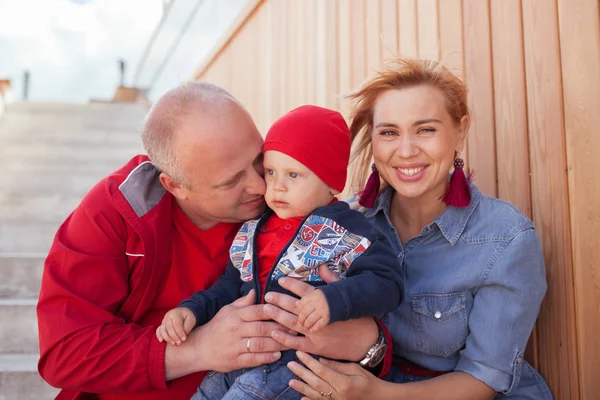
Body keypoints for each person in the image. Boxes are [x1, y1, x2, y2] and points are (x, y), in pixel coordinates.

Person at [36, 83, 382, 400]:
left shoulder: (298, 212)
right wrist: (197, 350)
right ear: (175, 186)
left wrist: (370, 343)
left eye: (259, 161)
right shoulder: (117, 213)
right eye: (232, 181)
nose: (262, 187)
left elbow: (378, 302)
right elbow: (64, 353)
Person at [261, 59, 553, 399]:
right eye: (389, 132)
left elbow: (485, 380)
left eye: (425, 129)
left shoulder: (506, 239)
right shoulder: (342, 223)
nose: (406, 150)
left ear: (460, 130)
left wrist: (373, 393)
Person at [156, 105, 403, 400]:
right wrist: (191, 311)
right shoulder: (253, 229)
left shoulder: (347, 230)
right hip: (242, 355)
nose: (277, 186)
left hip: (296, 362)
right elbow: (228, 288)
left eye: (293, 175)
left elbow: (387, 283)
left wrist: (334, 299)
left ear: (330, 182)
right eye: (271, 171)